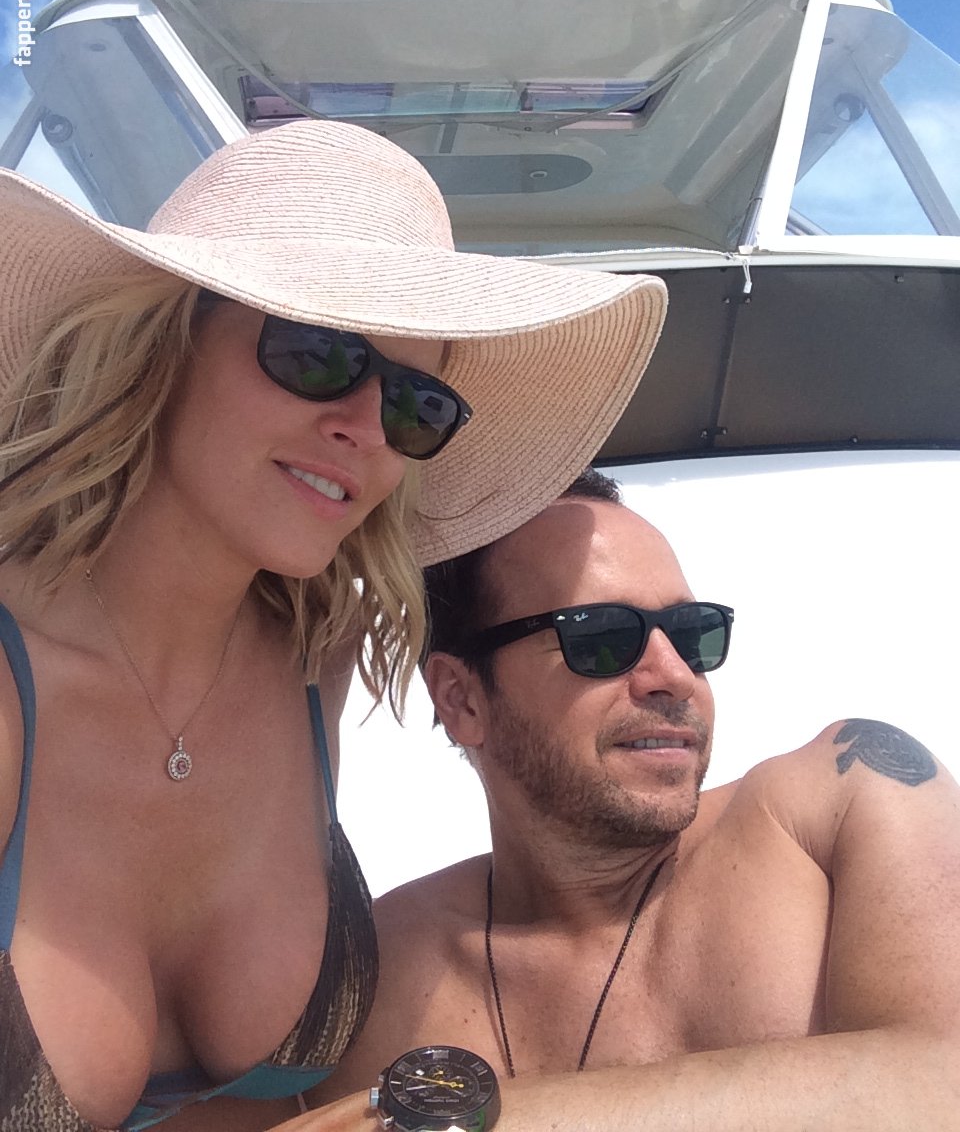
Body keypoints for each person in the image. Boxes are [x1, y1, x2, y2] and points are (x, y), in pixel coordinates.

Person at [0, 123, 668, 1131]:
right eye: (318, 355)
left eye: (414, 402)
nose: (364, 428)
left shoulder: (321, 657)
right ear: (167, 341)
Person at [307, 468, 960, 1130]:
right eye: (601, 637)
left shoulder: (842, 801)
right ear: (462, 698)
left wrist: (466, 1117)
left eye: (692, 633)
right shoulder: (373, 979)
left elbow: (946, 1081)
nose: (675, 676)